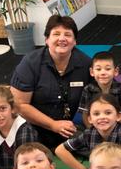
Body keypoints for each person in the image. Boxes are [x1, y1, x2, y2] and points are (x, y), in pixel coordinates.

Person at [10, 15, 92, 149]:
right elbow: (20, 105)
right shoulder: (30, 63)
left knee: (96, 145)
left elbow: (104, 93)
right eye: (56, 34)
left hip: (66, 127)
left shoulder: (86, 63)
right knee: (30, 155)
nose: (62, 39)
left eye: (68, 34)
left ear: (75, 41)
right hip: (31, 126)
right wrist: (53, 125)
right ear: (47, 40)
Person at [77, 51, 121, 127]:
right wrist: (92, 130)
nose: (103, 73)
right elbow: (85, 113)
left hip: (118, 129)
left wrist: (114, 131)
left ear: (115, 71)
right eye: (98, 69)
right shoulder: (88, 89)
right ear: (92, 72)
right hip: (95, 128)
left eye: (107, 69)